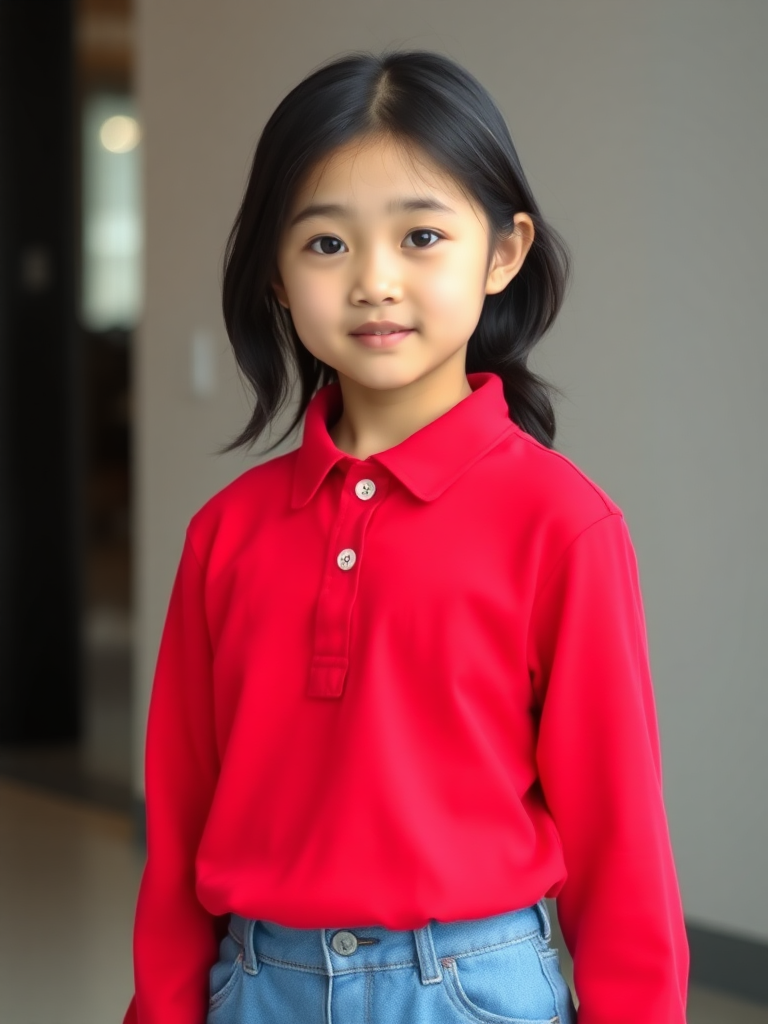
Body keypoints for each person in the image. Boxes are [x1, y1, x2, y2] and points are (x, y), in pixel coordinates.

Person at [123, 48, 689, 1024]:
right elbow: (178, 831)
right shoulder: (226, 533)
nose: (374, 282)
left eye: (421, 236)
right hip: (256, 989)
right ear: (275, 273)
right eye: (326, 245)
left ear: (502, 253)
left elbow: (621, 843)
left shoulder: (563, 524)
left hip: (471, 990)